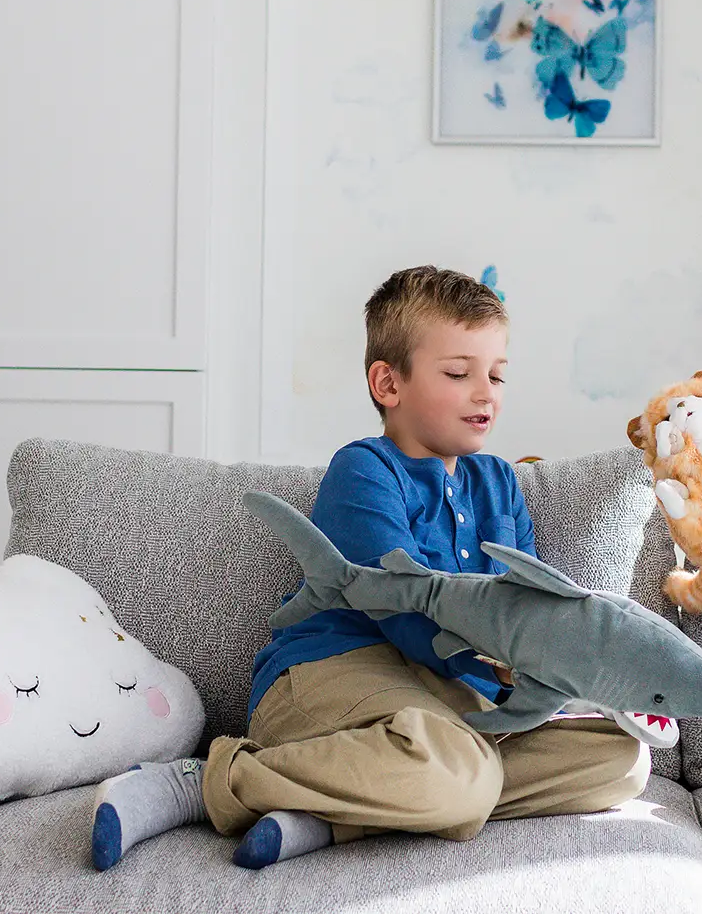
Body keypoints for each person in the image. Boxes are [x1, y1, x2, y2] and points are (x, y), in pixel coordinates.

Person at [89, 266, 646, 870]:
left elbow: (531, 610)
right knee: (460, 773)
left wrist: (567, 682)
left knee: (619, 759)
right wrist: (509, 662)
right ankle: (210, 782)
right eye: (460, 374)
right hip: (333, 676)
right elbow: (407, 612)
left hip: (446, 706)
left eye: (497, 374)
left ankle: (338, 816)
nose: (486, 392)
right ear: (388, 383)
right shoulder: (363, 471)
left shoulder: (501, 483)